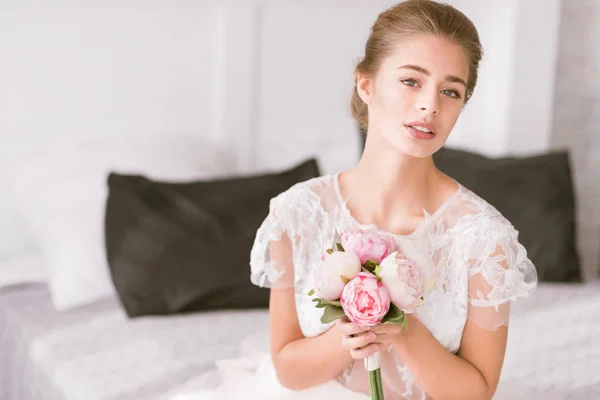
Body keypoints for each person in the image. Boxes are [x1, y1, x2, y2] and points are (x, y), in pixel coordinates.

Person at [167, 1, 537, 399]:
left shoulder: (483, 239)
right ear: (366, 84)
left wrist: (404, 331)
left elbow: (477, 392)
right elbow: (288, 368)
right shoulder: (298, 213)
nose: (431, 104)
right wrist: (345, 339)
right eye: (412, 81)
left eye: (450, 90)